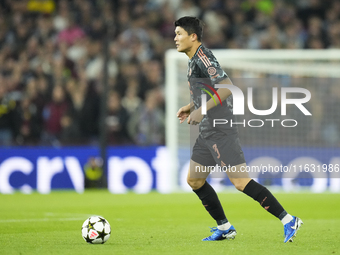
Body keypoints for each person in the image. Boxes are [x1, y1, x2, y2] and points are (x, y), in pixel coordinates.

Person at [174, 16, 302, 243]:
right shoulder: (192, 60)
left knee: (241, 182)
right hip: (207, 131)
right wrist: (191, 106)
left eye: (179, 34)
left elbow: (226, 88)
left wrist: (202, 110)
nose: (175, 38)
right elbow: (207, 92)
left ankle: (288, 219)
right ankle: (224, 227)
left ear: (193, 36)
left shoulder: (204, 57)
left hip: (220, 129)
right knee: (194, 180)